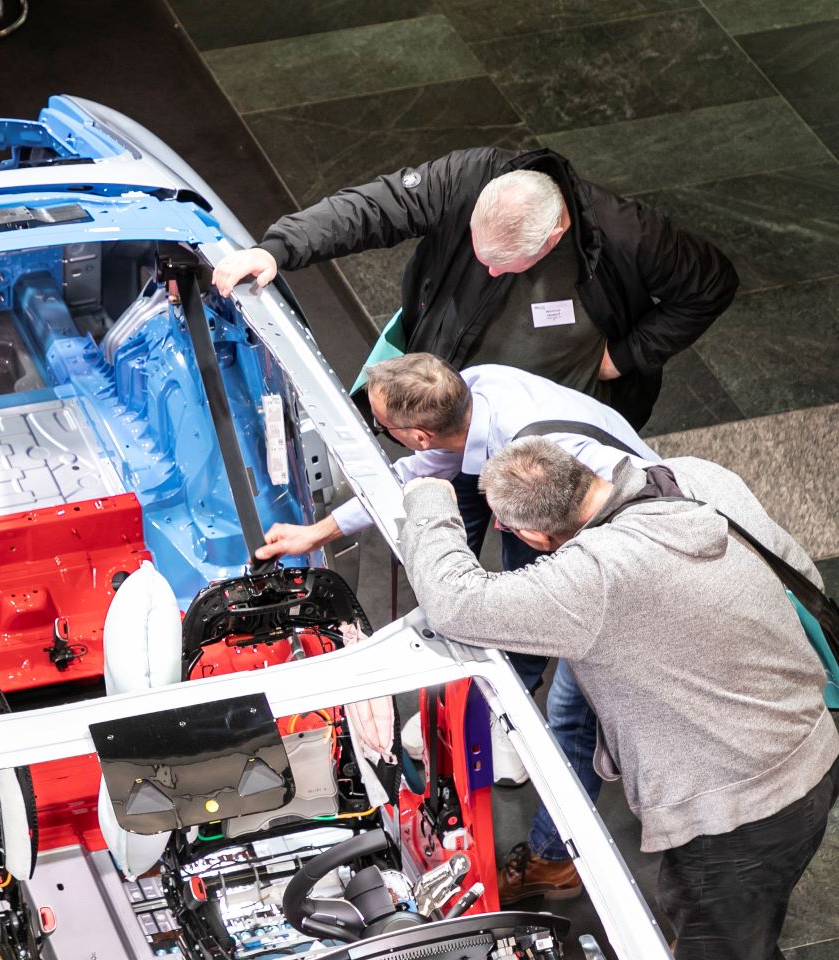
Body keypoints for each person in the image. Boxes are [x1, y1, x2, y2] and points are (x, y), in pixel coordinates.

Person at [400, 438, 838, 960]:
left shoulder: (593, 578)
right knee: (735, 919)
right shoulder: (694, 474)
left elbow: (455, 601)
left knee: (721, 939)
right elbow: (800, 572)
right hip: (811, 736)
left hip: (743, 807)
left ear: (534, 535)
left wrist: (429, 498)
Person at [255, 352, 657, 902]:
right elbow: (414, 475)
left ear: (419, 434)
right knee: (519, 626)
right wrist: (318, 532)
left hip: (622, 558)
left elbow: (607, 549)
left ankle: (553, 860)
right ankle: (502, 710)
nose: (389, 439)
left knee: (573, 709)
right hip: (574, 523)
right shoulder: (476, 388)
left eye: (385, 429)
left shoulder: (545, 461)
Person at [212, 147, 738, 430]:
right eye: (478, 252)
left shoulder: (631, 235)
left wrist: (625, 356)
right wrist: (277, 249)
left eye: (502, 265)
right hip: (453, 416)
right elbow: (373, 208)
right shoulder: (468, 178)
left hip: (548, 436)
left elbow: (712, 284)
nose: (484, 269)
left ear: (553, 237)